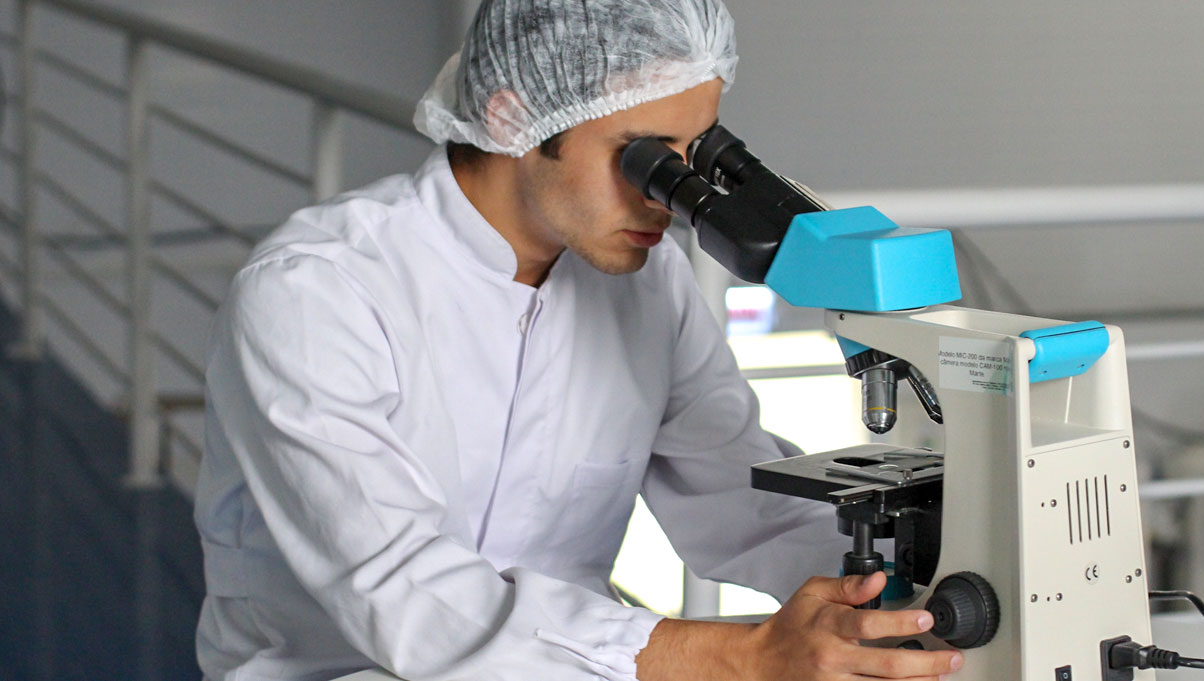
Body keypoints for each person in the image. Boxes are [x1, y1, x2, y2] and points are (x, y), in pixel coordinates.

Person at [194, 1, 965, 679]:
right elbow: (403, 597)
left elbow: (744, 501)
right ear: (512, 119)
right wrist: (749, 658)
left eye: (692, 158)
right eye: (645, 157)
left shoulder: (644, 284)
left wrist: (904, 600)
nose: (668, 201)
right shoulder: (318, 291)